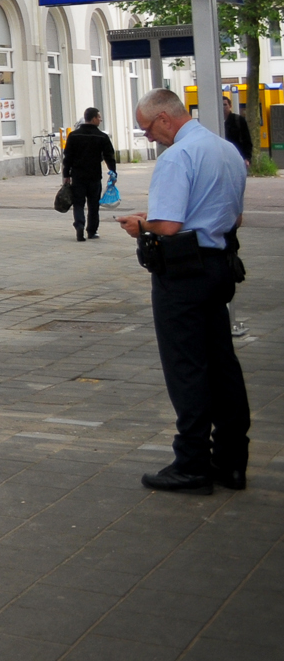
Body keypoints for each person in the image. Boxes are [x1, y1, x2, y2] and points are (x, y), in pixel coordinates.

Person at [116, 89, 249, 494]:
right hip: (219, 265)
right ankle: (231, 461)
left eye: (146, 129)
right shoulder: (226, 150)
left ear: (163, 118)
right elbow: (234, 216)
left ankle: (191, 463)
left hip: (183, 273)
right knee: (222, 364)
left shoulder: (177, 157)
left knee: (186, 367)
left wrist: (142, 224)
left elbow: (169, 226)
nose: (148, 139)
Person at [63, 106, 118, 241]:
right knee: (93, 205)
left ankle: (79, 225)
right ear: (93, 119)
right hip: (94, 176)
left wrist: (66, 175)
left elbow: (68, 156)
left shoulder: (74, 135)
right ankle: (92, 231)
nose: (100, 119)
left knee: (79, 203)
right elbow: (109, 156)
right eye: (99, 117)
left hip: (78, 176)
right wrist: (113, 173)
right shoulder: (102, 136)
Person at [221, 97, 253, 164]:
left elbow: (247, 140)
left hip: (237, 157)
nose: (223, 108)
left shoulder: (238, 120)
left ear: (230, 106)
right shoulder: (216, 122)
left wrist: (247, 158)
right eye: (221, 105)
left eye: (225, 105)